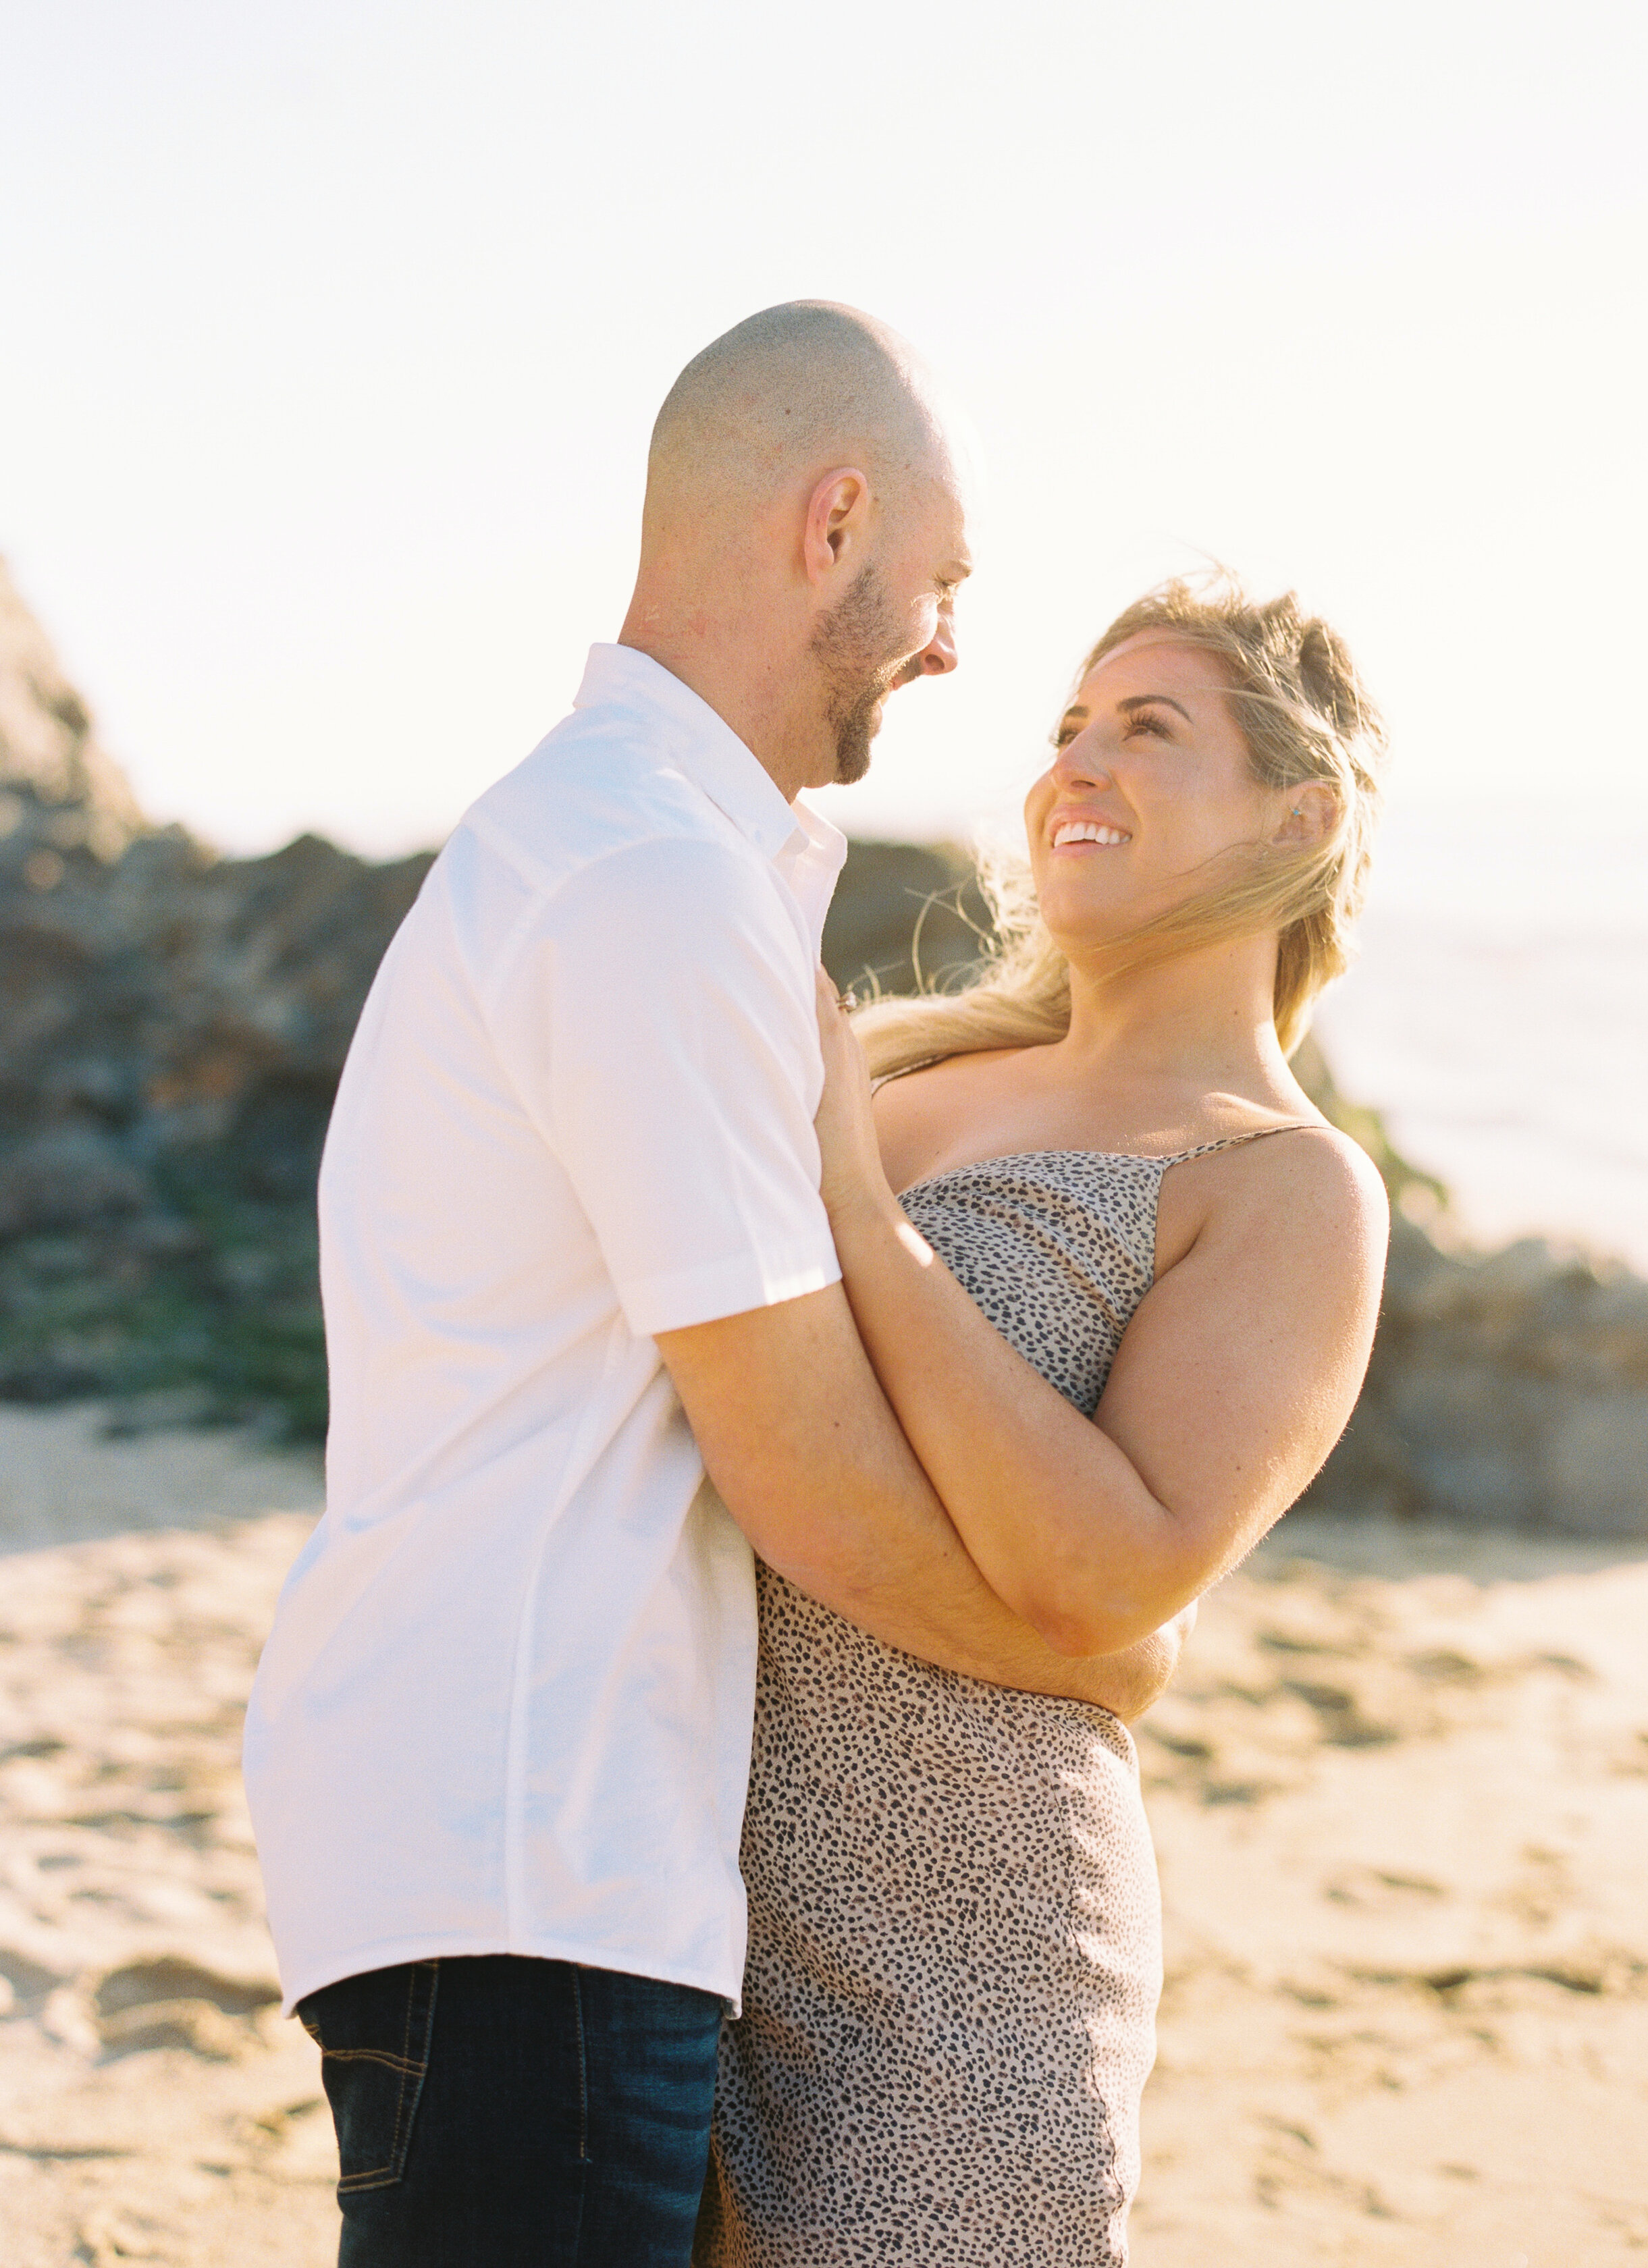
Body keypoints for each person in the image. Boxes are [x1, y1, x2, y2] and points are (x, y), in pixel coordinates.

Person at [242, 302, 1189, 2268]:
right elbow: (807, 1480)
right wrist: (1079, 1659)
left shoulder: (631, 855)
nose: (949, 643)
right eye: (938, 582)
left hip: (524, 1850)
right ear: (830, 521)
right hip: (529, 1856)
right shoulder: (645, 884)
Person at [694, 577, 1392, 2265]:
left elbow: (1109, 1576)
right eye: (1066, 728)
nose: (1074, 764)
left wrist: (862, 1213)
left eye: (1145, 730)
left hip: (957, 1978)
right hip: (664, 1912)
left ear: (1298, 817)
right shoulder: (907, 1067)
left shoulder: (1280, 1180)